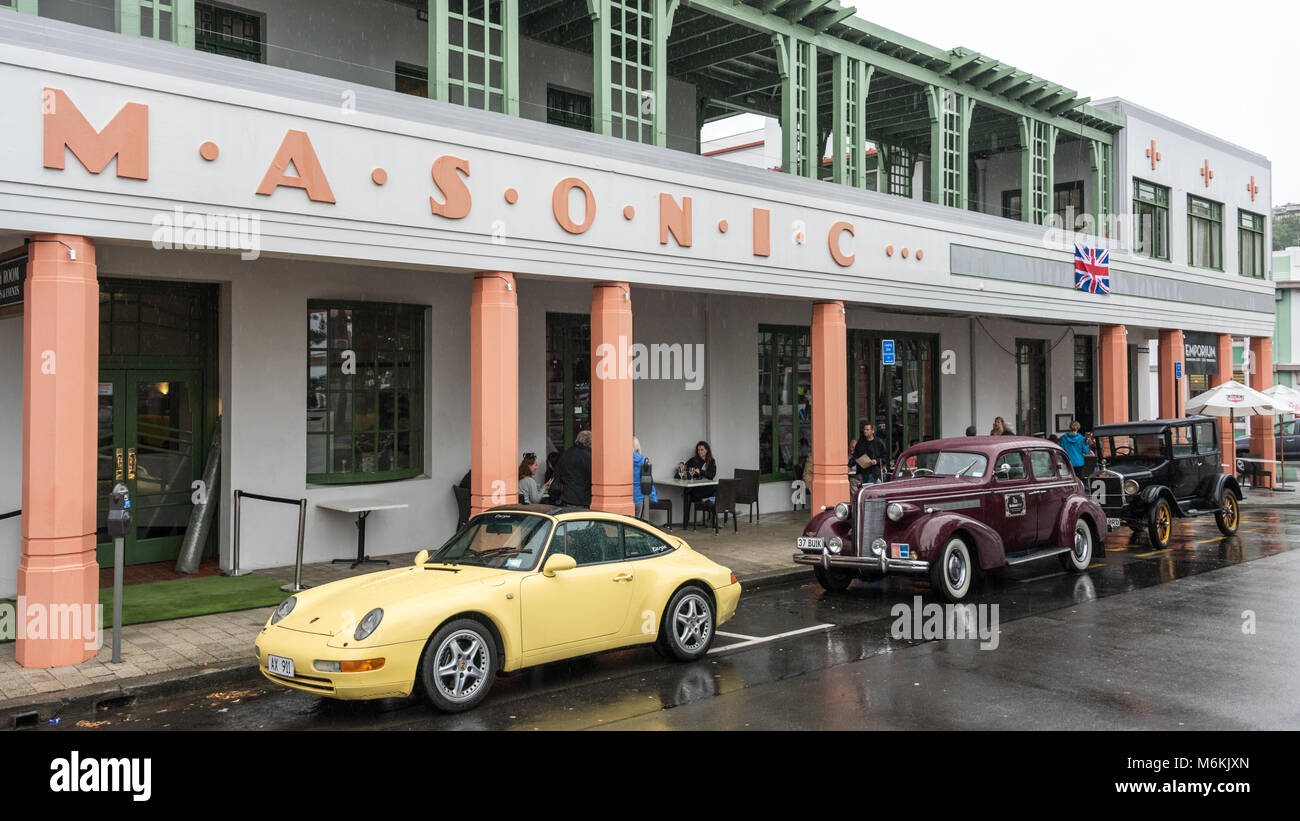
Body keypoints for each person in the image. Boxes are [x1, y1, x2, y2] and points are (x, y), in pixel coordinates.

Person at [554, 430, 593, 507]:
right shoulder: (589, 456)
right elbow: (594, 477)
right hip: (584, 499)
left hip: (567, 498)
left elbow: (557, 474)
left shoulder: (566, 453)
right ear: (589, 443)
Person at [678, 440, 717, 509]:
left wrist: (700, 472)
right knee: (687, 491)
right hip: (696, 488)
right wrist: (682, 465)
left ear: (707, 450)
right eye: (698, 450)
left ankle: (726, 506)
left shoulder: (711, 461)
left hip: (706, 488)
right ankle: (686, 519)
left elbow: (712, 475)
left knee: (718, 487)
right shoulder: (694, 460)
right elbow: (685, 466)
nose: (699, 452)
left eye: (702, 450)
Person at [632, 437, 658, 518]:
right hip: (638, 496)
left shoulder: (624, 459)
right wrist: (653, 496)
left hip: (626, 496)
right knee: (637, 522)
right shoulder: (643, 460)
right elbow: (648, 479)